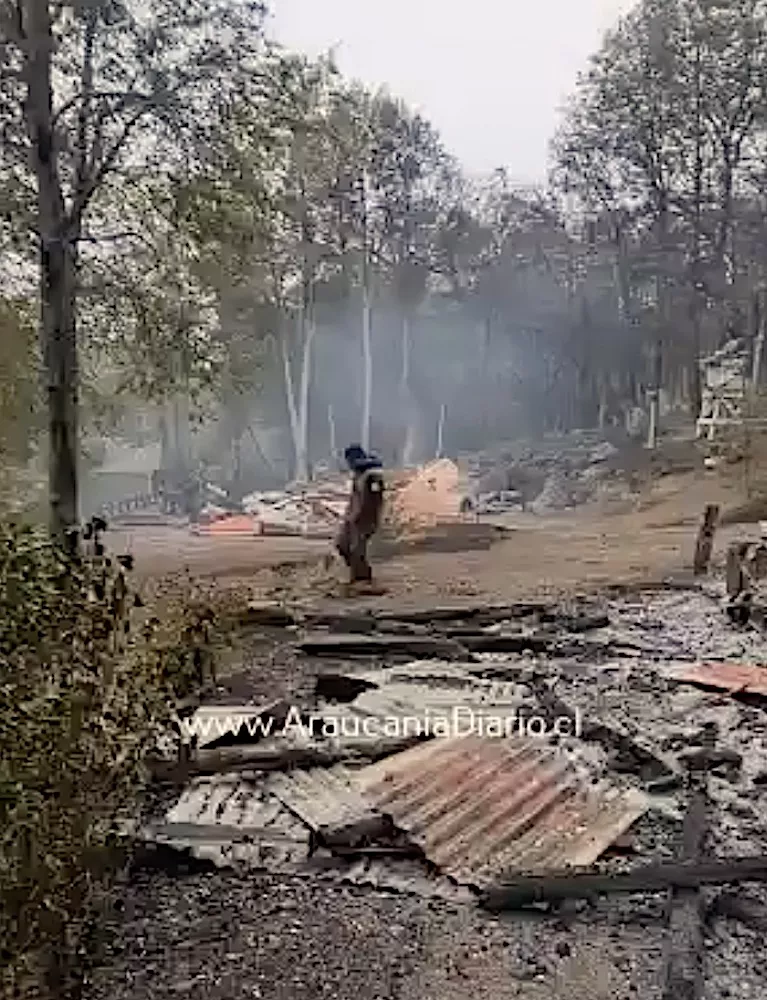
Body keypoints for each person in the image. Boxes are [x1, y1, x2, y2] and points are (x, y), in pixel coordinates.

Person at [336, 443, 385, 593]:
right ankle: (357, 575)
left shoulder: (372, 475)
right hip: (352, 518)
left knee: (357, 550)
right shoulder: (359, 473)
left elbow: (376, 499)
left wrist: (364, 516)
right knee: (342, 545)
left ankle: (363, 579)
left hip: (365, 518)